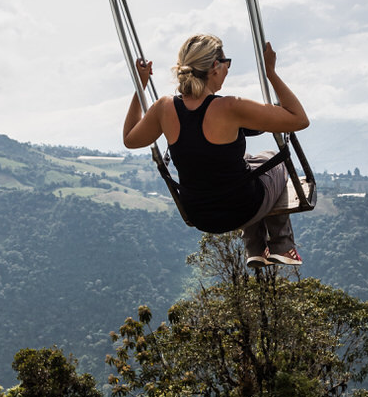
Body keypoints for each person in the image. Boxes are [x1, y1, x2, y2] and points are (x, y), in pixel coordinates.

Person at [123, 34, 309, 267]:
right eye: (227, 62)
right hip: (242, 209)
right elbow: (299, 119)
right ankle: (282, 245)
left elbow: (130, 139)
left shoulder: (164, 107)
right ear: (215, 67)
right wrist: (271, 73)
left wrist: (140, 85)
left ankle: (256, 248)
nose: (228, 69)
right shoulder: (230, 107)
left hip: (199, 215)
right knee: (273, 159)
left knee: (247, 163)